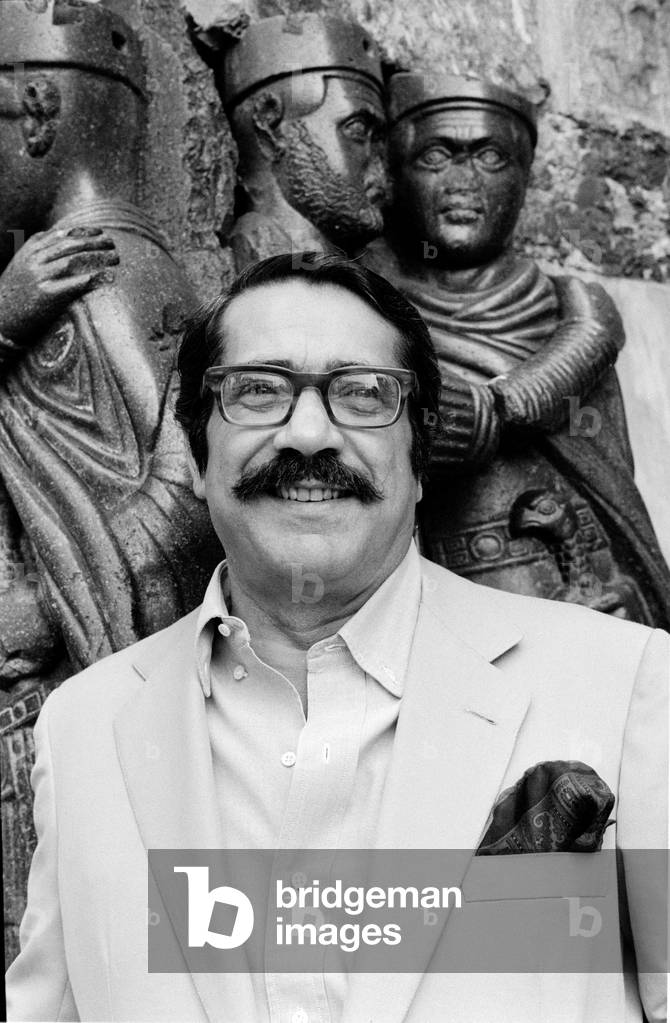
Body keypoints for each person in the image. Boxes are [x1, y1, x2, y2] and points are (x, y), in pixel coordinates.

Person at [5, 253, 667, 1022]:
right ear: (193, 456)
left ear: (418, 463)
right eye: (258, 390)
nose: (309, 434)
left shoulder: (621, 685)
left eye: (361, 393)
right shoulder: (83, 729)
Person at [364, 72, 670, 629]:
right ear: (395, 174)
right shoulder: (372, 316)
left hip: (597, 594)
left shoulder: (570, 309)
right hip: (453, 611)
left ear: (525, 177)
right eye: (437, 156)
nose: (463, 181)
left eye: (490, 157)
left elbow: (611, 480)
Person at [201, 13, 389, 269]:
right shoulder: (267, 262)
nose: (379, 169)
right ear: (270, 125)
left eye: (379, 140)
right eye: (356, 129)